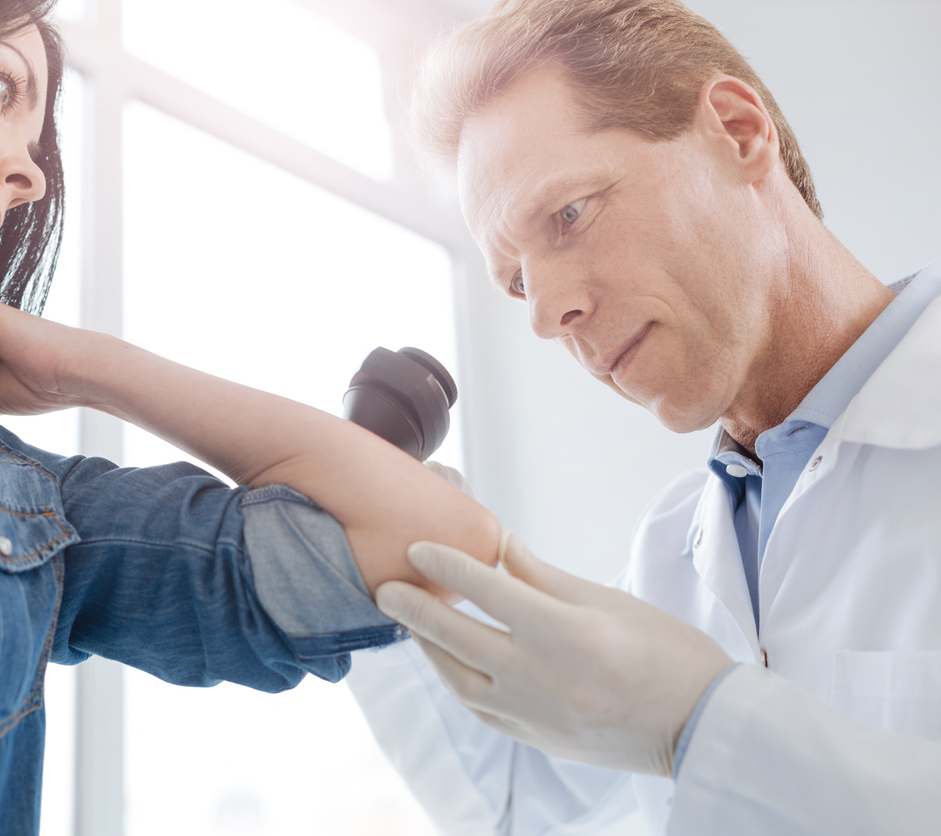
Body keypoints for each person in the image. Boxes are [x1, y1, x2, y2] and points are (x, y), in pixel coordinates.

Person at [0, 1, 500, 834]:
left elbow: (428, 550)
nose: (31, 174)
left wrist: (93, 369)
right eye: (5, 85)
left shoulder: (3, 494)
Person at [345, 0, 941, 834]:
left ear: (737, 133)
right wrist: (379, 557)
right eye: (516, 281)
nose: (545, 315)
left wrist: (707, 722)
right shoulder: (670, 555)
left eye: (569, 215)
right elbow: (522, 799)